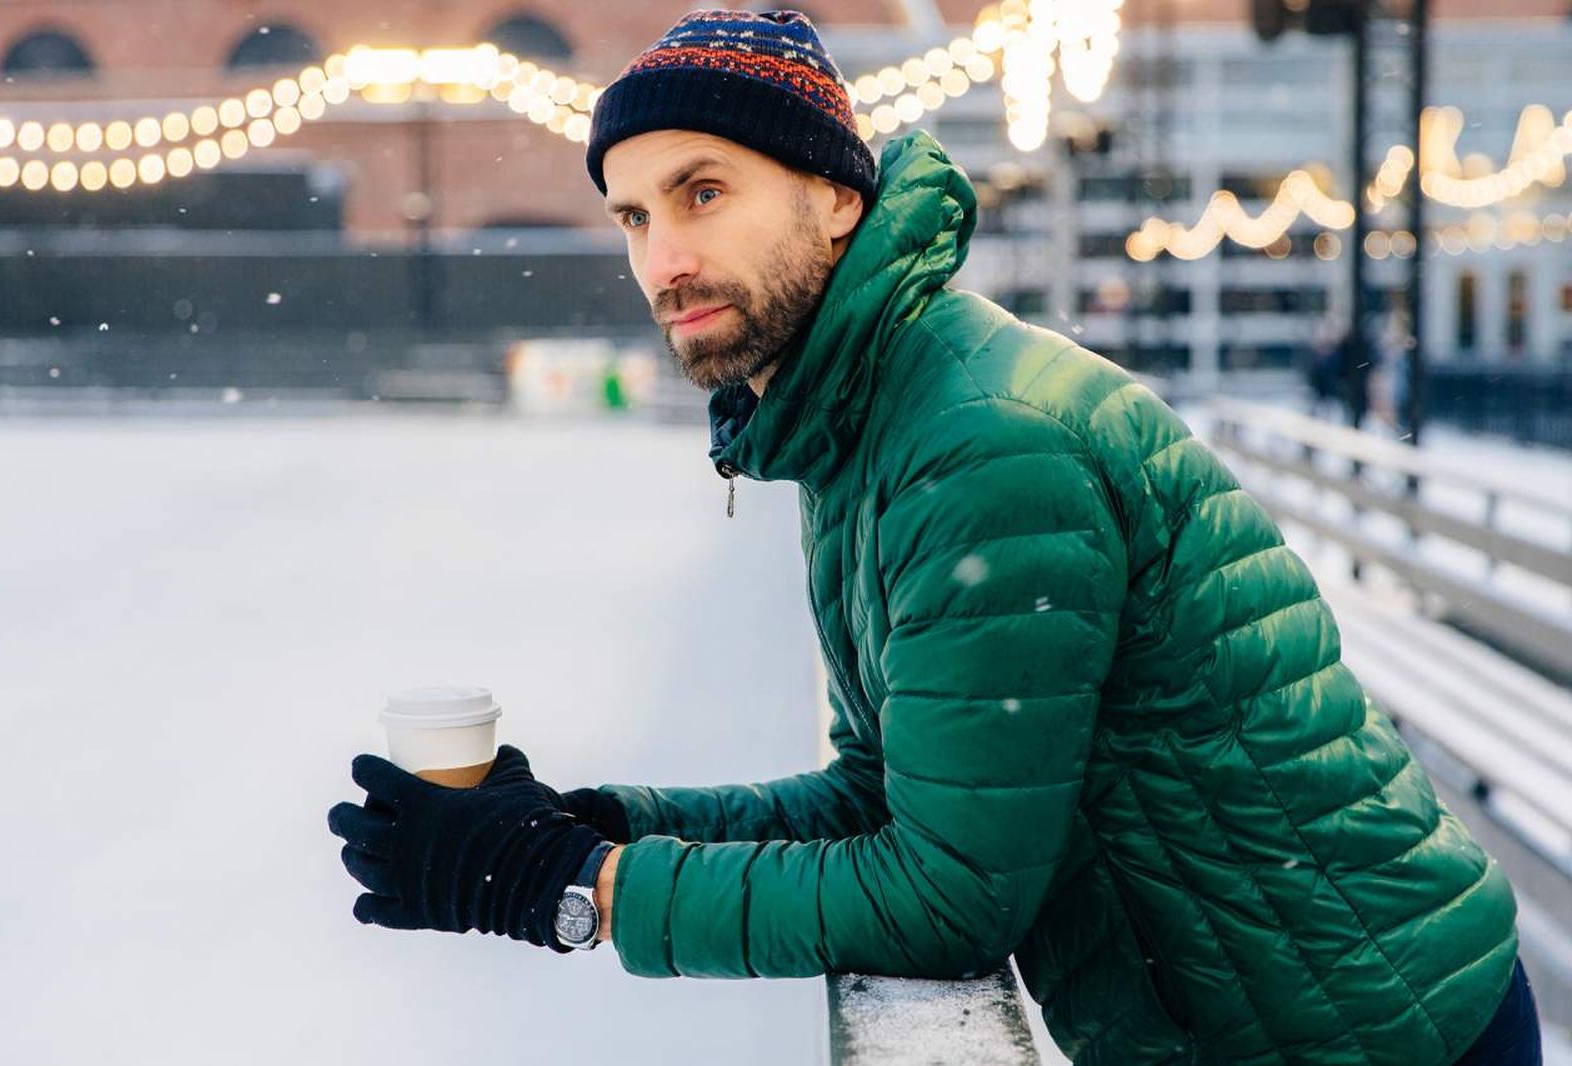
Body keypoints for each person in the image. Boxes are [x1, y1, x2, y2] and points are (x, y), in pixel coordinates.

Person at [329, 11, 1541, 1064]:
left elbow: (948, 894)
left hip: (1364, 1027)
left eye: (703, 192)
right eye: (634, 216)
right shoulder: (862, 418)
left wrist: (574, 890)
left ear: (834, 196)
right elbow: (886, 790)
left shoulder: (981, 446)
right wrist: (594, 825)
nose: (666, 260)